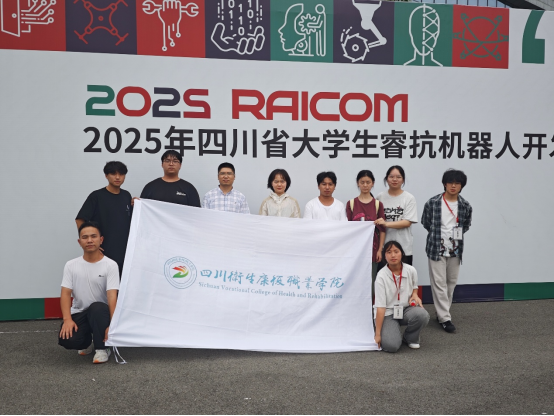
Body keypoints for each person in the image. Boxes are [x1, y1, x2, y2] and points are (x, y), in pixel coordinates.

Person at [58, 222, 120, 364]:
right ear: (79, 242)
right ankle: (87, 343)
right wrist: (67, 320)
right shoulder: (71, 265)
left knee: (97, 308)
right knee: (68, 340)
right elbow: (65, 294)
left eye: (93, 236)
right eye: (85, 237)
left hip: (101, 313)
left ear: (101, 240)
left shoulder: (110, 265)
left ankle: (102, 348)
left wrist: (113, 324)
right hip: (79, 312)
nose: (90, 240)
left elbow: (112, 296)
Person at [422, 169, 473, 334]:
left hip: (456, 250)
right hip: (436, 248)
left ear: (461, 186)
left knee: (451, 283)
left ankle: (441, 313)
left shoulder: (465, 205)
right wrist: (438, 236)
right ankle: (445, 318)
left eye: (457, 183)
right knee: (439, 283)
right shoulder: (433, 202)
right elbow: (426, 222)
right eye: (450, 182)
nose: (453, 186)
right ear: (444, 183)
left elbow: (466, 225)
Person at [76, 161, 132, 277]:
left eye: (121, 174)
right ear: (106, 176)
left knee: (121, 283)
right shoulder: (97, 196)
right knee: (103, 284)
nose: (117, 177)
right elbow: (80, 220)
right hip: (104, 252)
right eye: (113, 174)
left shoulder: (126, 195)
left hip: (125, 252)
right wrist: (90, 242)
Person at [374, 241, 429, 353]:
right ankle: (391, 328)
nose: (393, 255)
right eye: (389, 252)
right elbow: (380, 307)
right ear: (385, 256)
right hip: (387, 313)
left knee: (422, 314)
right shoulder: (381, 276)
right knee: (391, 346)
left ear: (402, 253)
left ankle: (410, 337)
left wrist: (415, 294)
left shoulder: (411, 270)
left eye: (396, 251)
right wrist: (377, 334)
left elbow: (414, 286)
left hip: (405, 309)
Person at [346, 170, 386, 281]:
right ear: (358, 183)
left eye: (368, 182)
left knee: (371, 281)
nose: (365, 185)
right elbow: (348, 229)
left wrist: (379, 250)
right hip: (355, 250)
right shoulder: (351, 204)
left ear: (373, 183)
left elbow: (382, 230)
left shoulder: (378, 204)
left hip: (372, 250)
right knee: (355, 280)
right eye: (362, 182)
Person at [375, 166, 418, 267]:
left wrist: (386, 223)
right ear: (386, 179)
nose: (395, 179)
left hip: (404, 248)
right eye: (391, 177)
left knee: (404, 275)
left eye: (398, 177)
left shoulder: (409, 198)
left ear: (403, 180)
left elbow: (407, 222)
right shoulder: (380, 197)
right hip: (384, 248)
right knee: (384, 276)